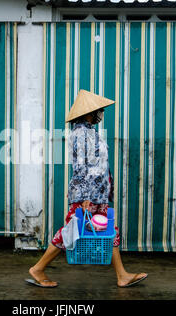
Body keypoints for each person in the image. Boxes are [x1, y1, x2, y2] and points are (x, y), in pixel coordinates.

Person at [26, 90, 148, 288]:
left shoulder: (90, 133)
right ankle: (38, 268)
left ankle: (122, 275)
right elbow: (81, 166)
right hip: (88, 196)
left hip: (97, 194)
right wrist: (85, 196)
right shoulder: (80, 134)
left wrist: (106, 191)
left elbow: (99, 165)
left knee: (109, 230)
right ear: (89, 113)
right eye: (99, 110)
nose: (101, 114)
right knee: (70, 232)